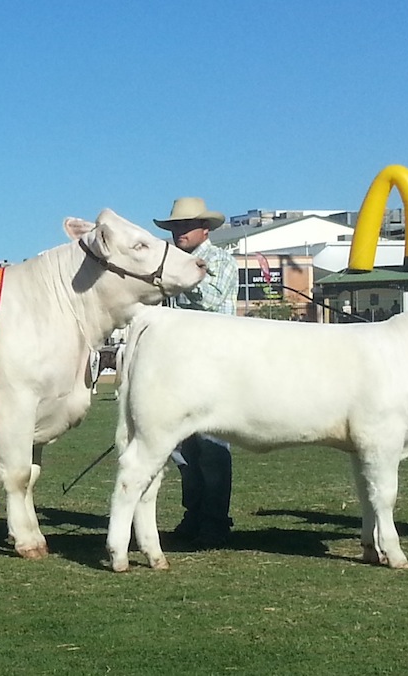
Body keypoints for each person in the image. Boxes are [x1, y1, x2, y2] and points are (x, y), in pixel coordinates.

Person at [154, 196, 239, 547]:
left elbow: (213, 300)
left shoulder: (221, 261)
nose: (179, 233)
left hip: (214, 362)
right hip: (178, 364)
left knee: (212, 445)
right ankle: (195, 514)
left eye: (185, 226)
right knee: (182, 447)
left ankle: (215, 520)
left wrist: (185, 277)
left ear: (205, 229)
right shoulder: (177, 263)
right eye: (175, 227)